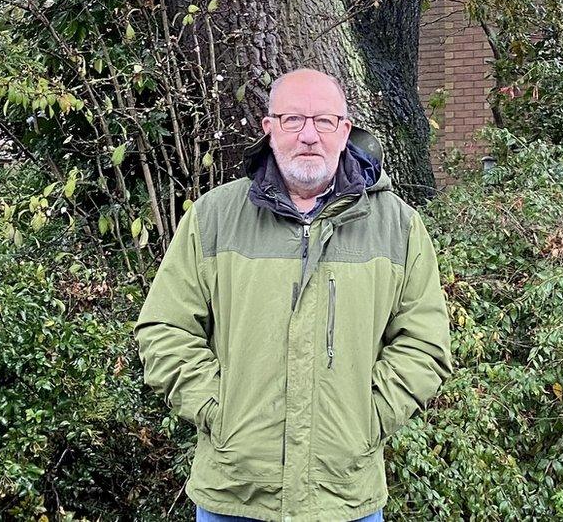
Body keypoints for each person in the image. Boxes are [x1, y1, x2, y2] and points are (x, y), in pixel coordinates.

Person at [135, 68, 452, 522]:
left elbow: (425, 343)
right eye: (292, 120)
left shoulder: (397, 228)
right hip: (234, 494)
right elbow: (164, 328)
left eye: (324, 121)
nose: (309, 136)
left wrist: (369, 419)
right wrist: (216, 410)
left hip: (345, 497)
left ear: (345, 132)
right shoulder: (214, 218)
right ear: (269, 129)